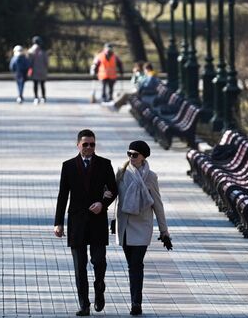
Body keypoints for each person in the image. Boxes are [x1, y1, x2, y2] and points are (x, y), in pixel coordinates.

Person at [54, 129, 117, 316]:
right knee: (79, 267)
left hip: (97, 221)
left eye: (92, 144)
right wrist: (58, 223)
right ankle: (84, 305)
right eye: (85, 144)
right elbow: (62, 196)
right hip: (77, 223)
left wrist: (103, 203)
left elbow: (113, 189)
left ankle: (99, 288)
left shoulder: (105, 164)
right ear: (78, 145)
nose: (89, 147)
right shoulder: (68, 166)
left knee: (99, 261)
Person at [113, 140, 171, 316]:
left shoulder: (151, 177)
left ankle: (136, 302)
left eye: (135, 155)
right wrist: (111, 218)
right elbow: (115, 196)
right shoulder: (121, 173)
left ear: (143, 156)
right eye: (129, 154)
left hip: (142, 226)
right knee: (132, 264)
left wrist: (164, 231)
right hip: (124, 225)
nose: (131, 157)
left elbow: (158, 205)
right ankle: (135, 298)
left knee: (136, 264)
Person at [28, 35, 49, 104]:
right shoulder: (43, 52)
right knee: (42, 84)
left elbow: (29, 62)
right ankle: (43, 97)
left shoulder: (30, 52)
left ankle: (36, 97)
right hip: (42, 71)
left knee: (35, 84)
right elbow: (46, 62)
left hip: (34, 71)